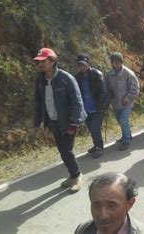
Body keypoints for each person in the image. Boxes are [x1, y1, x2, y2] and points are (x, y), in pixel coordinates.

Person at [33, 48, 86, 193]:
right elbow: (38, 102)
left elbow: (77, 102)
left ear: (52, 61)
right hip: (53, 121)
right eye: (39, 62)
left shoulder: (66, 78)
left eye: (43, 61)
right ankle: (73, 175)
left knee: (66, 151)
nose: (40, 64)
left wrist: (74, 123)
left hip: (68, 122)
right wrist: (38, 123)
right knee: (63, 151)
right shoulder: (40, 80)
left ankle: (77, 176)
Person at [75, 173, 144, 234]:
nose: (103, 216)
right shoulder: (83, 230)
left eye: (112, 205)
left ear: (130, 204)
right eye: (96, 205)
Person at [105, 52, 140, 151]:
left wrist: (128, 98)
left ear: (121, 62)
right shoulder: (109, 74)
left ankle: (126, 141)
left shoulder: (128, 73)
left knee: (123, 120)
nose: (114, 65)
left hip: (127, 104)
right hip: (115, 104)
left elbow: (135, 88)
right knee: (120, 121)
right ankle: (127, 134)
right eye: (112, 63)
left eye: (116, 63)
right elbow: (107, 88)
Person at [75, 54, 107, 158]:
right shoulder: (77, 77)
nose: (82, 67)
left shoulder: (97, 74)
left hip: (98, 107)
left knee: (94, 128)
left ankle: (99, 148)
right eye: (80, 65)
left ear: (88, 64)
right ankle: (96, 145)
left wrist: (102, 107)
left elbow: (103, 92)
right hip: (86, 108)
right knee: (91, 128)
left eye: (83, 64)